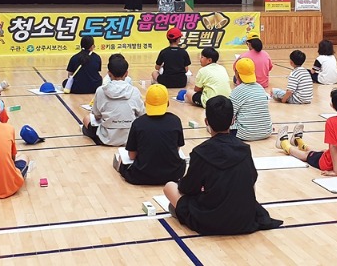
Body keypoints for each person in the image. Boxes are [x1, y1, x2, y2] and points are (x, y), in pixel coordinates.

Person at [163, 96, 283, 235]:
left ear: (206, 122)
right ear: (233, 120)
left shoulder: (200, 152)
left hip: (212, 220)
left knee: (169, 187)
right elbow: (251, 180)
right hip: (243, 219)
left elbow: (187, 188)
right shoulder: (244, 149)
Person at [275, 88, 337, 175]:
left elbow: (333, 147)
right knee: (322, 152)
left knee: (307, 155)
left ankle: (284, 145)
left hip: (330, 164)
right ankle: (300, 142)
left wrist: (335, 171)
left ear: (333, 106)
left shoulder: (332, 122)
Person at [119, 84, 186, 185]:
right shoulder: (175, 121)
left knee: (121, 163)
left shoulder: (138, 123)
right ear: (167, 103)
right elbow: (177, 149)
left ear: (145, 104)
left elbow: (132, 156)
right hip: (173, 175)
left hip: (141, 176)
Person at [82, 54, 145, 146]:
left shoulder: (101, 90)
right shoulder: (134, 91)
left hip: (106, 137)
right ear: (126, 73)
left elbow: (97, 115)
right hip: (130, 138)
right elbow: (142, 114)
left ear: (109, 73)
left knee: (87, 119)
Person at [230, 58, 272, 141]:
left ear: (237, 73)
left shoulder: (237, 91)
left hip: (245, 134)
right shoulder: (260, 88)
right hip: (266, 131)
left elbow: (229, 114)